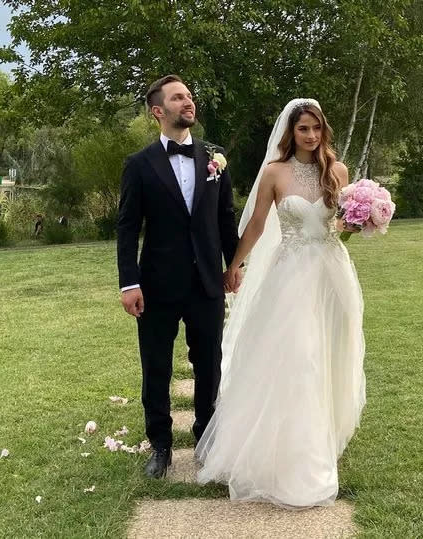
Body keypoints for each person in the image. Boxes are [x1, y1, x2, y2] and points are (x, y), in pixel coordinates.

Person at [195, 99, 366, 508]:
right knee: (299, 357)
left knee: (327, 354)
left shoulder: (336, 170)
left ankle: (321, 436)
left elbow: (340, 223)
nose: (310, 136)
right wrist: (234, 264)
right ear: (291, 133)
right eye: (303, 128)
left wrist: (363, 220)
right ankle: (296, 459)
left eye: (316, 128)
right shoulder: (274, 172)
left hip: (332, 274)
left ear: (324, 131)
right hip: (291, 276)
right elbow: (256, 225)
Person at [117, 75, 240, 479]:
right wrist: (129, 283)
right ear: (158, 110)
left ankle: (207, 437)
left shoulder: (214, 159)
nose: (188, 102)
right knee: (156, 366)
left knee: (210, 363)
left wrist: (234, 264)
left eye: (189, 95)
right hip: (156, 284)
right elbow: (127, 227)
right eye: (178, 97)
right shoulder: (138, 165)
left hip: (206, 281)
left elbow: (225, 218)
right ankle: (161, 446)